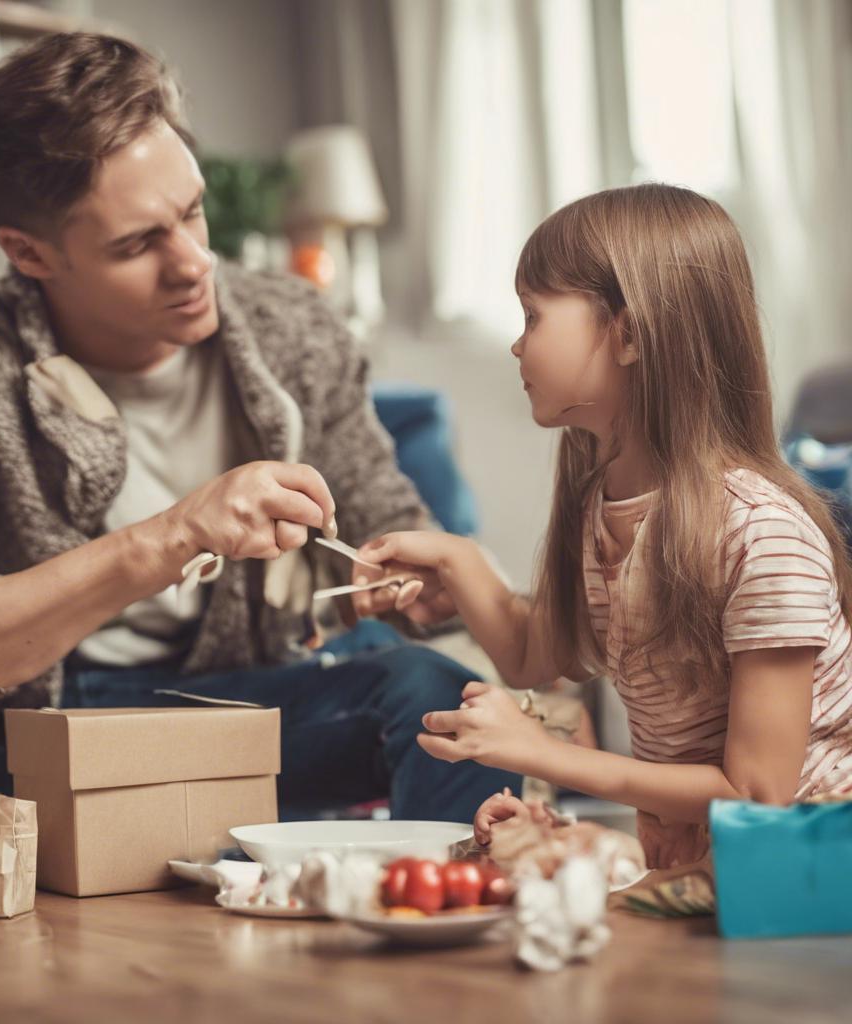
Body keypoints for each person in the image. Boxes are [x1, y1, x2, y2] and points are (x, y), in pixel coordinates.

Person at [0, 32, 524, 858]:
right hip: (19, 728)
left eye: (191, 212)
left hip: (230, 717)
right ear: (27, 251)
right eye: (135, 244)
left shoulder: (292, 325)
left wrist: (419, 584)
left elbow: (387, 524)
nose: (194, 264)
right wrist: (172, 537)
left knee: (440, 696)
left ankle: (441, 919)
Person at [353, 184, 852, 868]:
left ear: (631, 334)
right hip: (703, 875)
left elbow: (759, 794)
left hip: (804, 876)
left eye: (532, 316)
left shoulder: (762, 534)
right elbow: (536, 655)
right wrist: (456, 560)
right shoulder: (600, 501)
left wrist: (544, 755)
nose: (515, 343)